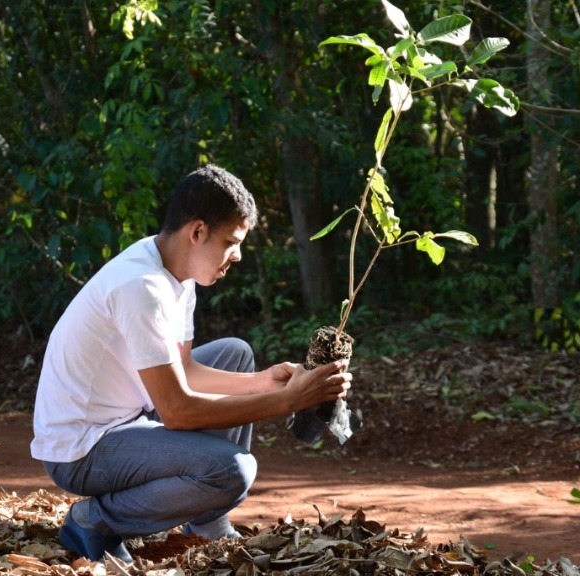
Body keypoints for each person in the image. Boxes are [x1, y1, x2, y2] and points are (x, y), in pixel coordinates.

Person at [30, 164, 353, 563]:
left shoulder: (175, 272)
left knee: (236, 353)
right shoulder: (142, 287)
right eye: (231, 242)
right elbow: (178, 411)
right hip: (80, 448)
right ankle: (94, 520)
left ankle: (206, 522)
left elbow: (185, 370)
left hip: (128, 415)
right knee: (232, 471)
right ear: (197, 231)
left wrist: (265, 381)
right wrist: (287, 401)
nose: (237, 255)